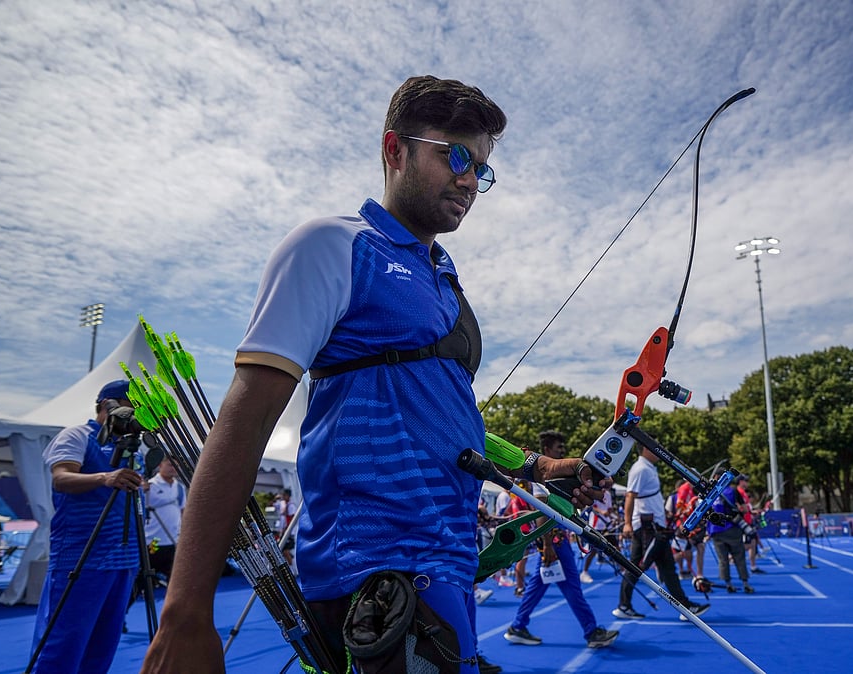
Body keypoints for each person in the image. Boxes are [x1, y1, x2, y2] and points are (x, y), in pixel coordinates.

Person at [141, 76, 606, 674]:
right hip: (377, 571)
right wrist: (184, 611)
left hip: (447, 559)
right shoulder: (332, 245)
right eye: (455, 156)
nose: (469, 180)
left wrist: (536, 467)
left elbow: (443, 419)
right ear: (395, 150)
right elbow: (246, 417)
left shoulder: (442, 271)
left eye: (481, 169)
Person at [30, 380, 143, 674]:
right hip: (83, 556)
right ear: (107, 406)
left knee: (102, 647)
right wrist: (104, 478)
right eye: (130, 409)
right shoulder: (77, 435)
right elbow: (61, 478)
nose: (134, 417)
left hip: (125, 558)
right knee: (63, 644)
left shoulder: (131, 447)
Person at [504, 431, 619, 650]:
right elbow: (540, 511)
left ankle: (518, 626)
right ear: (547, 450)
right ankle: (591, 631)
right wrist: (547, 545)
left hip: (556, 539)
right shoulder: (541, 475)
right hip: (554, 540)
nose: (563, 451)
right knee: (571, 588)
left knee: (541, 586)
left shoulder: (554, 474)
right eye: (559, 448)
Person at [613, 447, 709, 621]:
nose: (659, 451)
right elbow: (630, 496)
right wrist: (627, 523)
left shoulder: (648, 468)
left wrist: (665, 516)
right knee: (637, 567)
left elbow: (649, 499)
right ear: (645, 449)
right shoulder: (640, 469)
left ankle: (685, 607)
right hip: (647, 529)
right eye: (655, 448)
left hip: (657, 528)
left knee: (668, 569)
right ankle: (624, 605)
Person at [707, 474, 754, 594]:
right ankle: (745, 584)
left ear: (717, 477)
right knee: (739, 557)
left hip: (715, 530)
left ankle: (728, 584)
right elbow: (744, 509)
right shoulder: (733, 491)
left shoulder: (709, 491)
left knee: (723, 559)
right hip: (732, 528)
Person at [144, 458, 185, 582]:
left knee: (176, 578)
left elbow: (183, 510)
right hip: (153, 541)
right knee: (145, 575)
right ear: (160, 465)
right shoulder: (149, 486)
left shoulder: (179, 488)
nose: (173, 468)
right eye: (170, 465)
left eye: (176, 466)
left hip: (173, 540)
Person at [579, 487, 613, 583]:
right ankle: (584, 572)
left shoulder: (608, 494)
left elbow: (609, 507)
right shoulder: (593, 492)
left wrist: (609, 514)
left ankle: (624, 570)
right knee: (593, 550)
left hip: (607, 524)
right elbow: (592, 506)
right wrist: (602, 512)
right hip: (596, 525)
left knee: (615, 547)